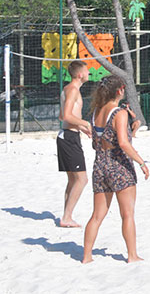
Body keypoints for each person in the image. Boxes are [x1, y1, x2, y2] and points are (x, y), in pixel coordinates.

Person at [82, 75, 150, 263]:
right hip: (119, 165)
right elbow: (123, 143)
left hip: (100, 165)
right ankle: (132, 255)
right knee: (127, 214)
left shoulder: (96, 111)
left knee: (96, 215)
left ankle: (87, 256)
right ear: (119, 90)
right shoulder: (119, 113)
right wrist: (141, 163)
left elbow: (98, 140)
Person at [57, 60, 91, 228]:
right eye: (87, 70)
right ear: (80, 74)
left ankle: (66, 215)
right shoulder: (72, 90)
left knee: (73, 179)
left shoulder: (67, 89)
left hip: (68, 135)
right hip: (69, 138)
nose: (89, 72)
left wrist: (81, 128)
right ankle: (67, 216)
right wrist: (85, 124)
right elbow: (66, 116)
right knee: (82, 179)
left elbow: (62, 117)